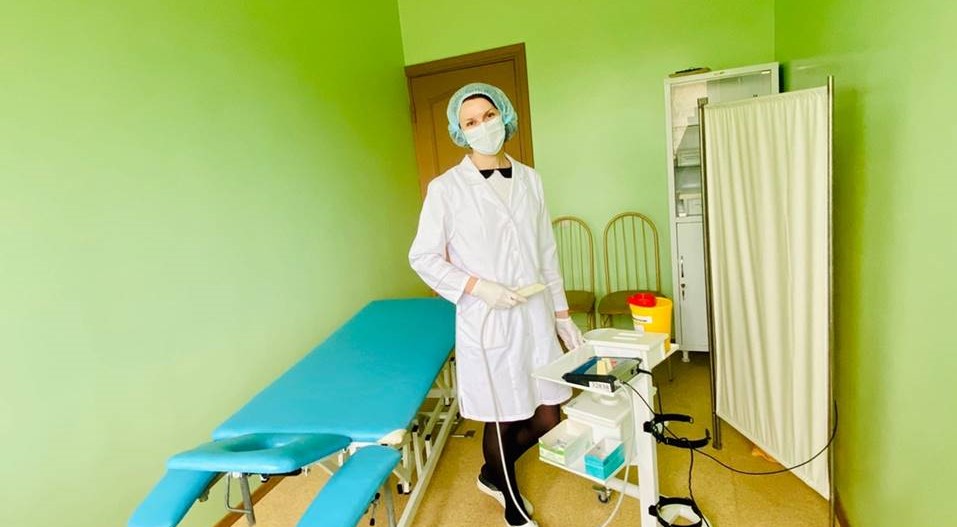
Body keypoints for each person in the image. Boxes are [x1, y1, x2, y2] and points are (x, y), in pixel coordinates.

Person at [409, 83, 583, 527]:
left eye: (488, 116)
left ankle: (491, 472)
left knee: (547, 414)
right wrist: (478, 287)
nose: (482, 126)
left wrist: (562, 316)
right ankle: (510, 498)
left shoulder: (531, 179)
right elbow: (423, 256)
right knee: (502, 412)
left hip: (534, 315)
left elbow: (546, 253)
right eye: (470, 122)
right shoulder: (446, 189)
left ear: (504, 116)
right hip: (487, 320)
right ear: (460, 132)